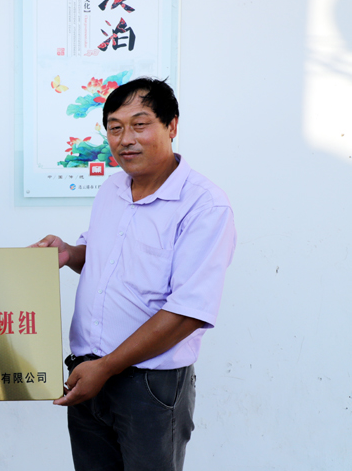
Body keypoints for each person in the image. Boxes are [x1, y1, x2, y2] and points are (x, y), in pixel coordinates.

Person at [33, 78, 236, 471]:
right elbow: (104, 259)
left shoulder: (204, 206)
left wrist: (107, 367)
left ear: (171, 126)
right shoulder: (112, 189)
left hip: (148, 386)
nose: (125, 139)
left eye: (139, 125)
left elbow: (189, 311)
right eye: (115, 127)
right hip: (87, 372)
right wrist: (68, 253)